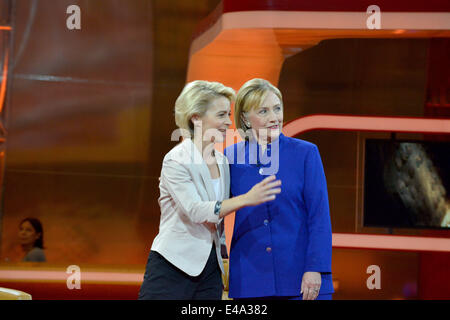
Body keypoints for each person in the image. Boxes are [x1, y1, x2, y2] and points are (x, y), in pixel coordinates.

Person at [138, 80, 281, 300]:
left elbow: (218, 224)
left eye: (228, 115)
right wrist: (247, 199)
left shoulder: (223, 161)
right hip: (173, 266)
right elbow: (195, 210)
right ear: (196, 118)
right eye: (221, 115)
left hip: (210, 271)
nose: (228, 122)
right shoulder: (176, 160)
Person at [224, 78, 334, 300]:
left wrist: (315, 268)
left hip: (302, 278)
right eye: (263, 111)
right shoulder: (230, 157)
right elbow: (215, 210)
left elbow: (319, 216)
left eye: (277, 108)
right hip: (251, 279)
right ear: (245, 117)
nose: (274, 118)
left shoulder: (305, 153)